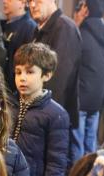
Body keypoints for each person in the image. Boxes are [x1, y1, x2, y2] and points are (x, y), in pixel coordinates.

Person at [12, 42, 69, 176]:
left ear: (46, 75)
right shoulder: (10, 105)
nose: (22, 78)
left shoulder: (55, 114)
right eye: (18, 72)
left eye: (30, 72)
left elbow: (57, 161)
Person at [71, 0, 104, 156]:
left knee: (77, 142)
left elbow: (70, 60)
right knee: (91, 141)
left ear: (86, 9)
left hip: (80, 95)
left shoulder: (81, 33)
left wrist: (76, 25)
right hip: (98, 96)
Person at [30, 0, 81, 140]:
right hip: (42, 112)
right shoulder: (39, 29)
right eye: (29, 1)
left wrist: (43, 112)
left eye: (37, 0)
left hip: (55, 116)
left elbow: (59, 78)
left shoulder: (64, 27)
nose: (32, 5)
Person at [1, 0, 37, 95]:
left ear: (23, 2)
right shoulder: (0, 25)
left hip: (15, 91)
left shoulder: (30, 28)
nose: (4, 1)